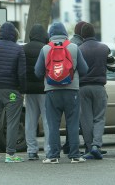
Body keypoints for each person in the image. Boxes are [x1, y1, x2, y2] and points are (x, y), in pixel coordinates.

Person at [35, 22, 88, 164]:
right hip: (72, 91)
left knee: (53, 124)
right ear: (65, 33)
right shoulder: (74, 47)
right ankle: (75, 155)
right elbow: (84, 69)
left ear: (50, 34)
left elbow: (38, 71)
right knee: (72, 123)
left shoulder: (45, 49)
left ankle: (53, 156)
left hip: (51, 91)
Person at [0, 22, 26, 163]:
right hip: (13, 90)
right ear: (14, 34)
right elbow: (22, 73)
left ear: (1, 33)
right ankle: (10, 154)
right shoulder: (18, 49)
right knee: (12, 122)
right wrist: (22, 89)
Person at [79, 23, 115, 160]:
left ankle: (89, 148)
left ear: (82, 35)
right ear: (94, 33)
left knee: (86, 119)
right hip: (99, 87)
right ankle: (96, 146)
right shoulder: (104, 48)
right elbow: (113, 66)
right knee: (99, 118)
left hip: (82, 88)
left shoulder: (79, 49)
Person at [23, 24, 50, 160]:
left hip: (29, 90)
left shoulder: (24, 49)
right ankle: (48, 149)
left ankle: (32, 150)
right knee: (47, 120)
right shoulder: (46, 49)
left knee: (30, 120)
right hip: (44, 89)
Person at [63, 20, 87, 154]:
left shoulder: (69, 42)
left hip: (62, 83)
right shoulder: (80, 45)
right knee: (78, 118)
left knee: (70, 119)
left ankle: (67, 144)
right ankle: (82, 146)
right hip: (77, 85)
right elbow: (83, 68)